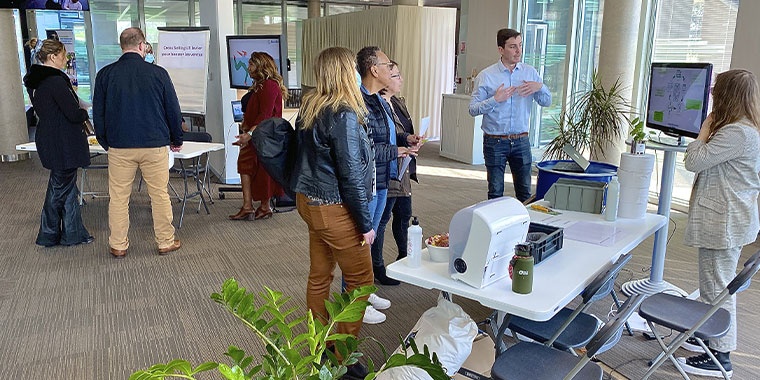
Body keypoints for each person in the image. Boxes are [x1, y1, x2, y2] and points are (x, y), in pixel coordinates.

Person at [290, 46, 375, 380]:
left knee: (320, 275)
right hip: (334, 207)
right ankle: (343, 359)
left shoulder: (310, 107)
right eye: (353, 67)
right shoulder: (343, 113)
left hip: (309, 203)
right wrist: (365, 224)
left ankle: (319, 349)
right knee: (360, 281)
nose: (357, 72)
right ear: (345, 71)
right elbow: (351, 175)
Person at [679, 69, 760, 378]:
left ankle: (721, 355)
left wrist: (704, 130)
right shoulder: (746, 128)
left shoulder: (736, 132)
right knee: (716, 284)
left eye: (717, 91)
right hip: (730, 218)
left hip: (723, 222)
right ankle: (712, 340)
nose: (712, 95)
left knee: (718, 289)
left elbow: (694, 161)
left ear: (728, 96)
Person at [92, 27, 183, 259]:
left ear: (122, 46)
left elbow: (98, 114)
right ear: (142, 45)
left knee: (119, 197)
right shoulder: (159, 73)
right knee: (159, 195)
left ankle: (118, 245)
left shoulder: (105, 74)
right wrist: (177, 139)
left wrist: (105, 141)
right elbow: (172, 109)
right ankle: (165, 241)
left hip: (120, 146)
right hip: (154, 145)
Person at [23, 39, 94, 248]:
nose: (66, 59)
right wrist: (84, 112)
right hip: (63, 142)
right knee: (58, 189)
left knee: (67, 188)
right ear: (53, 57)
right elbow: (72, 113)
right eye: (63, 55)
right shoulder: (55, 81)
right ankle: (48, 234)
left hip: (50, 138)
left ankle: (73, 233)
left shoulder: (35, 81)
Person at [469, 28, 552, 202]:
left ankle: (525, 229)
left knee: (525, 193)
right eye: (513, 47)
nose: (518, 51)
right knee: (495, 192)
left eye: (520, 45)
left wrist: (540, 87)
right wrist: (495, 100)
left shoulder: (529, 72)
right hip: (495, 141)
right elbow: (473, 109)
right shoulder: (486, 76)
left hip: (521, 140)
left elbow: (546, 101)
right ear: (501, 49)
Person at [229, 52, 287, 221]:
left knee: (257, 169)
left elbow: (265, 114)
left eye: (252, 65)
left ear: (261, 66)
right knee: (248, 167)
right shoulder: (259, 85)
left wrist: (250, 134)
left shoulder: (269, 85)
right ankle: (256, 206)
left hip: (262, 135)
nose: (248, 68)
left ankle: (257, 206)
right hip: (255, 133)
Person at [376, 62, 420, 266]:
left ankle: (405, 257)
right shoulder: (376, 104)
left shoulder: (397, 102)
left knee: (404, 215)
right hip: (388, 168)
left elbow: (398, 133)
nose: (400, 79)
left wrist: (408, 138)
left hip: (403, 167)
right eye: (395, 76)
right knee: (381, 220)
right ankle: (377, 265)